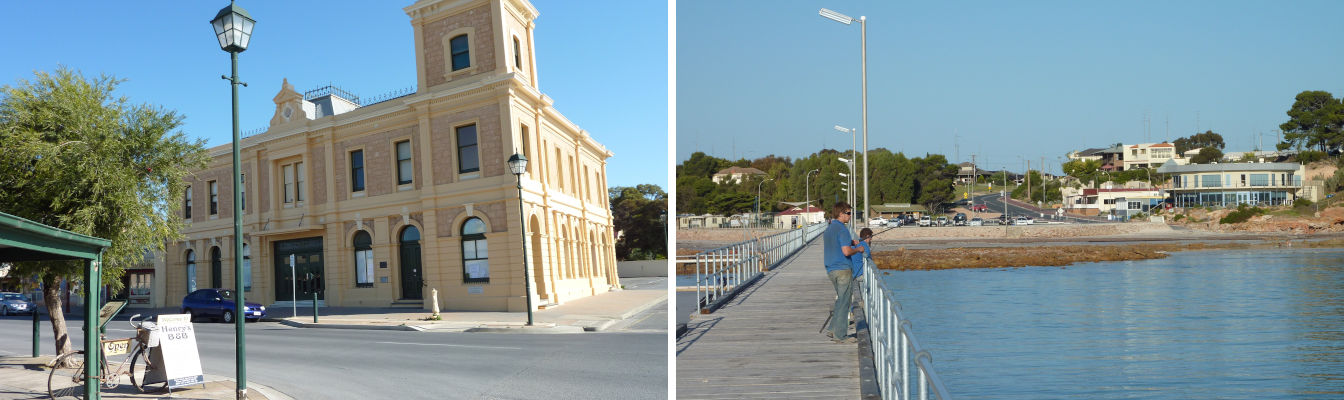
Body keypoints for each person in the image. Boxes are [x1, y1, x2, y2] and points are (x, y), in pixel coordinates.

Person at [822, 201, 860, 343]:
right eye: (848, 213)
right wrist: (858, 249)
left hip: (831, 269)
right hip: (843, 269)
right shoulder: (843, 230)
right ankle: (841, 336)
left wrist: (850, 242)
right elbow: (846, 251)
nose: (850, 216)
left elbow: (838, 244)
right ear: (840, 213)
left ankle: (832, 329)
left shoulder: (829, 229)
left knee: (840, 299)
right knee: (845, 302)